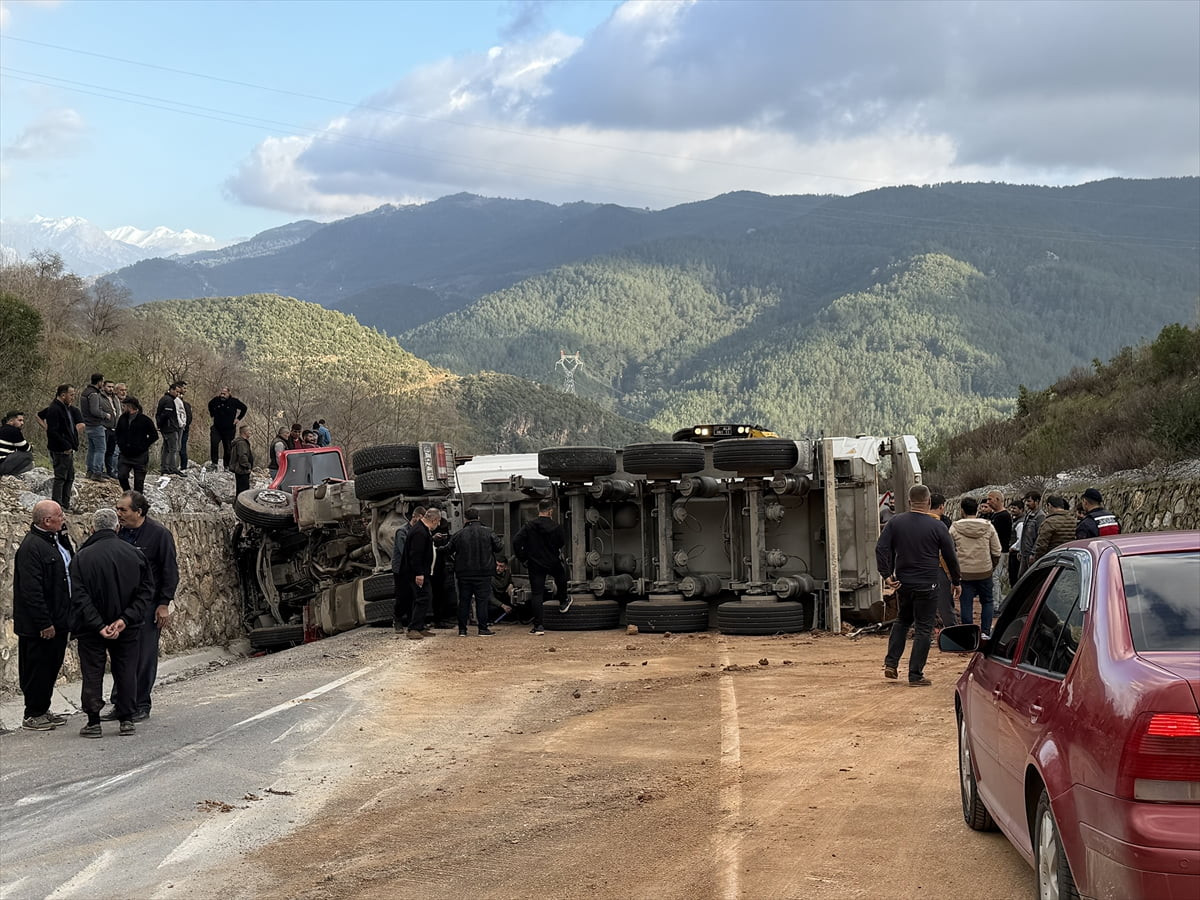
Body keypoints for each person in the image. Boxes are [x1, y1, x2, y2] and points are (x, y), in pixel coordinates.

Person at [69, 507, 153, 738]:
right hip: (126, 626)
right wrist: (124, 620)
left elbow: (79, 596)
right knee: (126, 669)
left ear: (93, 528)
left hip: (90, 628)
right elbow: (146, 593)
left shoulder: (82, 557)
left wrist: (98, 624)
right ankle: (126, 719)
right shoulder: (134, 554)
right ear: (117, 527)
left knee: (92, 672)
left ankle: (93, 722)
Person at [104, 490, 179, 722]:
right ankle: (120, 703)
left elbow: (170, 571)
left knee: (144, 655)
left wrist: (164, 603)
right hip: (122, 606)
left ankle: (141, 703)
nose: (119, 514)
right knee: (121, 655)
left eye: (123, 510)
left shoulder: (159, 535)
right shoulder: (118, 534)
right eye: (117, 509)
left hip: (148, 606)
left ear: (139, 511)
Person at [876, 484, 961, 686]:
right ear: (929, 502)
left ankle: (891, 663)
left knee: (902, 621)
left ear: (909, 501)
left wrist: (886, 575)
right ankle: (915, 674)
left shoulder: (895, 522)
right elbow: (951, 556)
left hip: (903, 583)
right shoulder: (938, 526)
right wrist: (956, 581)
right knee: (924, 627)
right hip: (928, 584)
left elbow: (881, 548)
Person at [13, 500, 74, 731]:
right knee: (36, 668)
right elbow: (31, 590)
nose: (64, 518)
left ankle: (43, 708)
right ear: (47, 521)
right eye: (60, 515)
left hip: (60, 619)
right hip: (40, 625)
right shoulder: (31, 548)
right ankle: (33, 713)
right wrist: (44, 622)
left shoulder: (57, 541)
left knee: (51, 666)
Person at [513, 499, 570, 635]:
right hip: (552, 561)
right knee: (561, 577)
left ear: (539, 510)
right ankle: (563, 601)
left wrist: (523, 558)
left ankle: (538, 627)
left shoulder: (529, 526)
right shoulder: (556, 527)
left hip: (535, 563)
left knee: (537, 593)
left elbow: (516, 541)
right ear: (550, 511)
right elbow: (561, 543)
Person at [949, 497, 1002, 636]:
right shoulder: (988, 526)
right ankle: (985, 632)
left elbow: (948, 551)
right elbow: (997, 550)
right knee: (987, 601)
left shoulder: (955, 527)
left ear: (962, 511)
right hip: (984, 570)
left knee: (966, 603)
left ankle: (968, 634)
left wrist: (953, 573)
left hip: (964, 572)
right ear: (977, 509)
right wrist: (991, 566)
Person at [448, 507, 503, 636]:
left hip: (464, 574)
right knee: (482, 601)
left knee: (464, 601)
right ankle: (483, 629)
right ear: (478, 518)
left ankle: (462, 630)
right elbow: (499, 547)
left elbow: (448, 549)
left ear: (465, 519)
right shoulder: (488, 532)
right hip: (483, 574)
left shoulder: (459, 534)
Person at [38, 384, 84, 511]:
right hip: (60, 449)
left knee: (70, 477)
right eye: (71, 394)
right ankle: (57, 505)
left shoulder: (66, 408)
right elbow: (52, 431)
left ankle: (65, 504)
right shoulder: (54, 409)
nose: (73, 397)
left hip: (68, 448)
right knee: (61, 477)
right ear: (63, 395)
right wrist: (65, 445)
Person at [404, 507, 441, 640]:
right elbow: (416, 554)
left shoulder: (422, 529)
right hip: (417, 573)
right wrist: (419, 573)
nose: (438, 524)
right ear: (435, 519)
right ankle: (413, 628)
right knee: (423, 598)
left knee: (424, 598)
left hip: (422, 572)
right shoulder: (420, 532)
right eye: (438, 521)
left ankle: (419, 626)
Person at [114, 396, 158, 493]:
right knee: (122, 476)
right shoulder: (122, 418)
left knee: (139, 482)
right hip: (125, 455)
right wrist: (121, 444)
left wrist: (143, 446)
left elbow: (154, 435)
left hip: (140, 456)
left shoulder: (145, 420)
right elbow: (117, 433)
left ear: (130, 406)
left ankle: (137, 503)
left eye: (124, 406)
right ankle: (128, 494)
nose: (123, 408)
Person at [391, 506, 425, 631]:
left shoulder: (419, 531)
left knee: (415, 596)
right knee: (402, 596)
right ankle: (397, 618)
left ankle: (413, 623)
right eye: (420, 518)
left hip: (413, 568)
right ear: (414, 516)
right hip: (401, 569)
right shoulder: (402, 531)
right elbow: (404, 550)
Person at [927, 492, 956, 629]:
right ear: (941, 506)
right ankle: (952, 633)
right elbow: (946, 553)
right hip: (938, 568)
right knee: (945, 603)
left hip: (916, 569)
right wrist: (952, 576)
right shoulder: (942, 525)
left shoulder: (914, 522)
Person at [208, 386, 248, 469]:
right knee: (214, 444)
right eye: (221, 393)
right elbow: (210, 405)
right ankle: (214, 463)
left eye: (224, 394)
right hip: (217, 428)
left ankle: (227, 465)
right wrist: (212, 414)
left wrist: (238, 419)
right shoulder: (216, 400)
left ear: (229, 393)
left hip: (229, 429)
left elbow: (244, 408)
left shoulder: (234, 401)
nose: (222, 395)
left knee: (228, 447)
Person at [79, 372, 110, 479]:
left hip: (87, 424)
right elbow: (94, 410)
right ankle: (97, 472)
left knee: (92, 449)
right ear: (100, 382)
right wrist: (105, 415)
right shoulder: (94, 394)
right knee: (101, 449)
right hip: (95, 424)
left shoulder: (85, 392)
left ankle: (90, 471)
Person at [981, 490, 1013, 594]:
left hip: (1000, 552)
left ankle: (996, 605)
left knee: (995, 577)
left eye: (990, 499)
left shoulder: (1003, 516)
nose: (988, 502)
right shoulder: (995, 515)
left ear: (998, 499)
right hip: (995, 551)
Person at [1034, 496, 1077, 560]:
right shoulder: (1073, 520)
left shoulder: (1049, 522)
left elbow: (1041, 546)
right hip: (1069, 559)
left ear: (1049, 505)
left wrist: (1037, 559)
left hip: (1052, 559)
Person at [155, 383, 184, 475]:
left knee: (167, 448)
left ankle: (165, 467)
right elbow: (166, 414)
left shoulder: (166, 399)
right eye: (176, 391)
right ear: (171, 390)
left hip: (167, 427)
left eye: (179, 392)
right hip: (169, 428)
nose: (177, 394)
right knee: (173, 448)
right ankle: (172, 467)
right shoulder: (168, 400)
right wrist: (164, 425)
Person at [1018, 491, 1045, 576]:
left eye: (1029, 501)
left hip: (1031, 554)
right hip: (1024, 552)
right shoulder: (1028, 514)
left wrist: (1033, 553)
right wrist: (1020, 550)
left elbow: (1039, 536)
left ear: (1036, 501)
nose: (1027, 503)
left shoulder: (1040, 516)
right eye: (1026, 501)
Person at [0, 410, 35, 476]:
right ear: (11, 421)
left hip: (2, 462)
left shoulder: (2, 429)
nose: (22, 423)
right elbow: (26, 448)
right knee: (28, 455)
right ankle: (12, 474)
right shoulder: (13, 431)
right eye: (19, 420)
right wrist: (31, 446)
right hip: (2, 464)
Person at [229, 424, 254, 496]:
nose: (250, 432)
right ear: (244, 432)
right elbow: (242, 456)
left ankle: (237, 505)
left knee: (240, 490)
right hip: (242, 470)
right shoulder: (241, 443)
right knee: (243, 491)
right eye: (249, 431)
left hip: (241, 470)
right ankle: (240, 506)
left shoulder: (241, 442)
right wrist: (247, 466)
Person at [177, 383, 193, 471]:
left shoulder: (186, 404)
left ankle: (183, 467)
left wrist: (184, 426)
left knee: (182, 448)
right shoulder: (170, 402)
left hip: (184, 429)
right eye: (184, 388)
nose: (185, 390)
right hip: (175, 429)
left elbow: (189, 417)